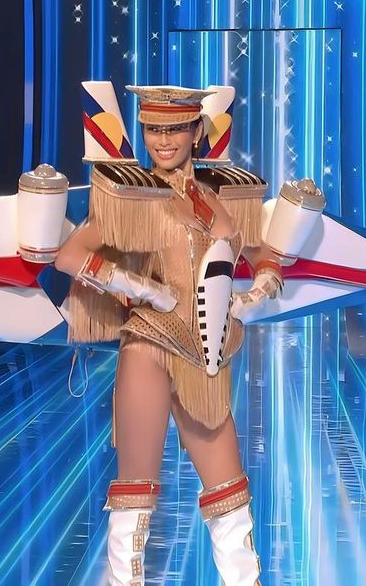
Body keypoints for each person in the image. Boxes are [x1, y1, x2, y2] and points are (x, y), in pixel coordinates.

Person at [55, 85, 286, 584]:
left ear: (197, 131)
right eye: (153, 129)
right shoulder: (131, 195)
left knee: (230, 497)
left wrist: (257, 292)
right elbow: (69, 255)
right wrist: (140, 288)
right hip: (149, 344)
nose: (163, 140)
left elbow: (265, 253)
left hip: (207, 356)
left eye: (175, 128)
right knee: (135, 495)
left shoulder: (223, 199)